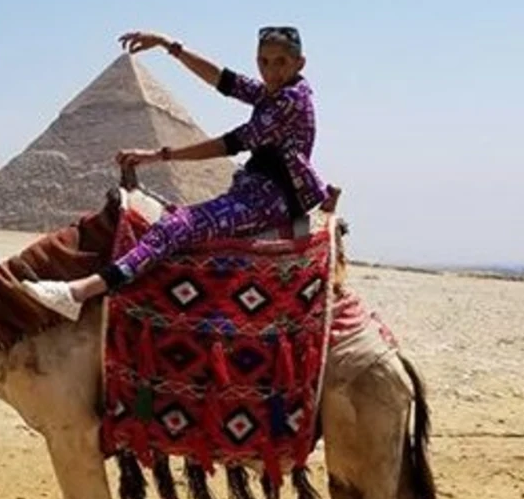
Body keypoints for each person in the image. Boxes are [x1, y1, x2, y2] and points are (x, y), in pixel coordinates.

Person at [22, 26, 337, 321]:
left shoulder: (291, 100)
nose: (270, 70)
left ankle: (80, 292)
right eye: (263, 61)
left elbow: (232, 142)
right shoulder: (274, 90)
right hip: (252, 188)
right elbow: (224, 81)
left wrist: (158, 156)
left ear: (299, 63)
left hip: (273, 197)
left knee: (178, 226)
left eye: (280, 62)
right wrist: (167, 45)